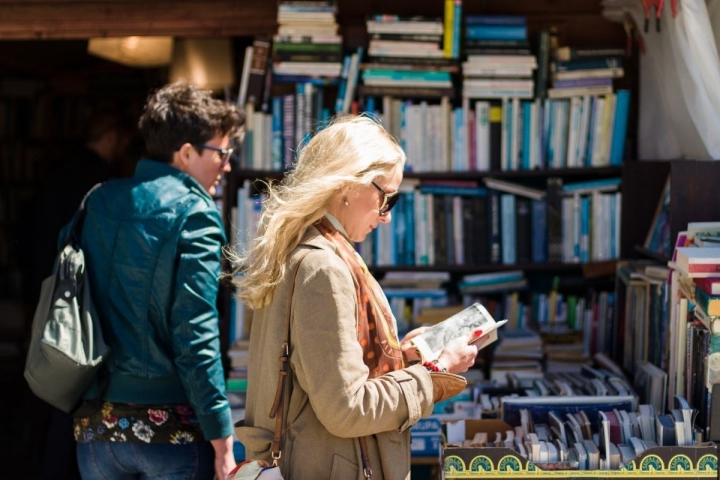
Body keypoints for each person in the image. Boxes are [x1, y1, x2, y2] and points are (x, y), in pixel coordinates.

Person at [232, 115, 479, 480]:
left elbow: (323, 372)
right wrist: (433, 374)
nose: (385, 218)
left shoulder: (303, 249)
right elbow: (346, 409)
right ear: (348, 184)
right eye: (386, 198)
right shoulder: (323, 267)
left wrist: (402, 354)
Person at [68, 80, 244, 480]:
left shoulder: (98, 199)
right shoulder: (195, 213)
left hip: (96, 429)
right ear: (186, 153)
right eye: (223, 152)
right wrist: (222, 439)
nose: (228, 165)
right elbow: (195, 334)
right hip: (170, 436)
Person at [26, 105, 133, 480]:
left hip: (49, 290)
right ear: (110, 138)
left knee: (54, 383)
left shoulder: (60, 170)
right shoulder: (101, 185)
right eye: (121, 141)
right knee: (74, 383)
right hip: (81, 301)